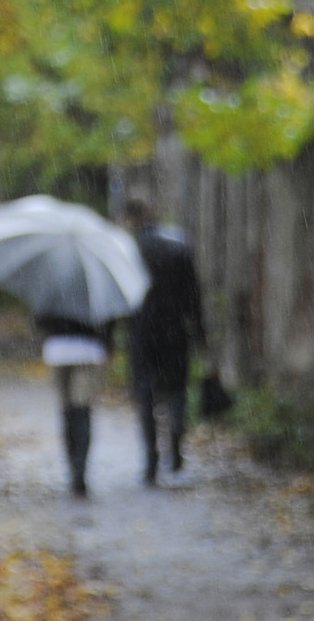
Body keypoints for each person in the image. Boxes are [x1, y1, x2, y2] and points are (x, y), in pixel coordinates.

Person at [122, 196, 205, 486]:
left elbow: (121, 297)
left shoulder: (129, 252)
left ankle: (151, 459)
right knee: (176, 388)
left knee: (144, 392)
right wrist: (200, 333)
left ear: (130, 219)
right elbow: (194, 295)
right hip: (175, 329)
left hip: (142, 331)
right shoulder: (178, 247)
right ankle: (177, 438)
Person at [33, 313, 114, 498]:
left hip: (58, 350)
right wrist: (106, 343)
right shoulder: (96, 289)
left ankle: (72, 466)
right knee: (83, 409)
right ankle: (80, 470)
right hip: (88, 350)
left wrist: (58, 327)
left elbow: (39, 319)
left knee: (67, 409)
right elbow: (108, 318)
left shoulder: (54, 287)